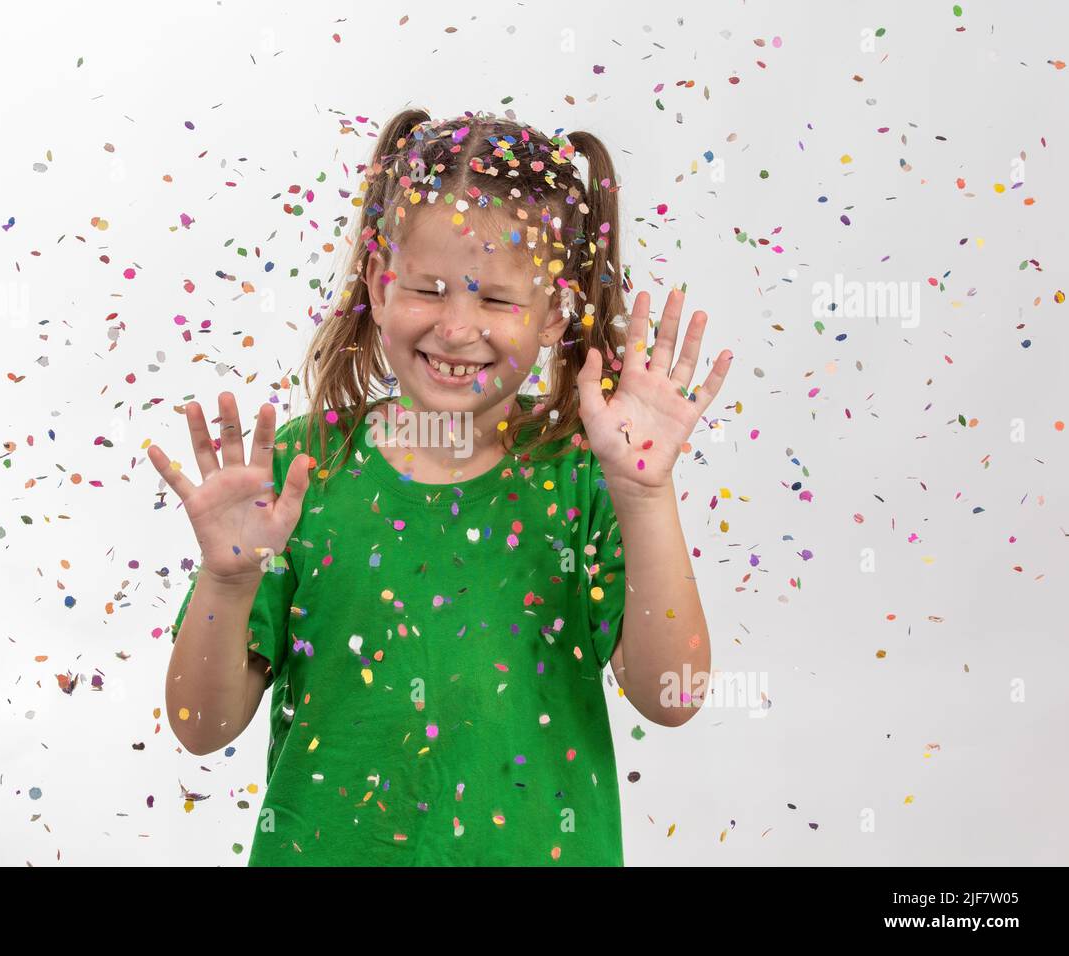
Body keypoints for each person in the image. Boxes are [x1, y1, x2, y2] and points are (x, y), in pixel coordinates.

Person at [148, 108, 733, 866]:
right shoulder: (301, 472)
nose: (457, 329)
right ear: (376, 283)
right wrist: (227, 583)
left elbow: (674, 696)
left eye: (494, 300)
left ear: (556, 312)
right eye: (426, 289)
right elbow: (199, 725)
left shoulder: (585, 475)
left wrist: (647, 497)